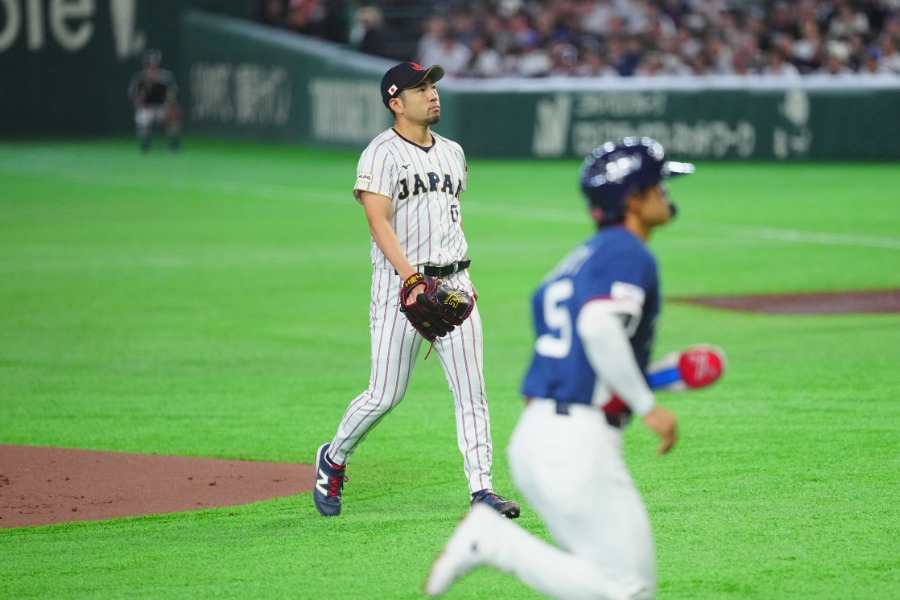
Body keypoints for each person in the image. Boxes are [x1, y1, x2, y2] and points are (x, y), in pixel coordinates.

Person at [426, 137, 694, 599]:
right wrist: (647, 405)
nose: (666, 192)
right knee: (626, 588)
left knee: (623, 585)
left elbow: (583, 348)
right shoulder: (627, 252)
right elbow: (595, 327)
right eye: (658, 184)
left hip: (544, 435)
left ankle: (493, 541)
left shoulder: (584, 257)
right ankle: (493, 541)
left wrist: (654, 376)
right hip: (575, 443)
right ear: (633, 200)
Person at [312, 62, 520, 520]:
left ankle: (482, 491)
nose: (432, 94)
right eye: (420, 88)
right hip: (397, 288)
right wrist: (410, 277)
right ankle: (334, 457)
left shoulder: (452, 151)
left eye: (432, 86)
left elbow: (450, 214)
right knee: (385, 394)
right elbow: (377, 221)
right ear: (395, 101)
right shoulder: (380, 154)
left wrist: (465, 273)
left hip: (452, 283)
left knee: (472, 391)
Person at [127, 49, 182, 152]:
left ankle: (173, 144)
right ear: (144, 66)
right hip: (146, 108)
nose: (152, 70)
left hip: (162, 107)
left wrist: (168, 111)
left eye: (155, 67)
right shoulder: (139, 79)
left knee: (175, 113)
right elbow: (136, 102)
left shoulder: (166, 78)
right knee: (142, 117)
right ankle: (145, 145)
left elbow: (172, 99)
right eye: (149, 67)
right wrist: (146, 88)